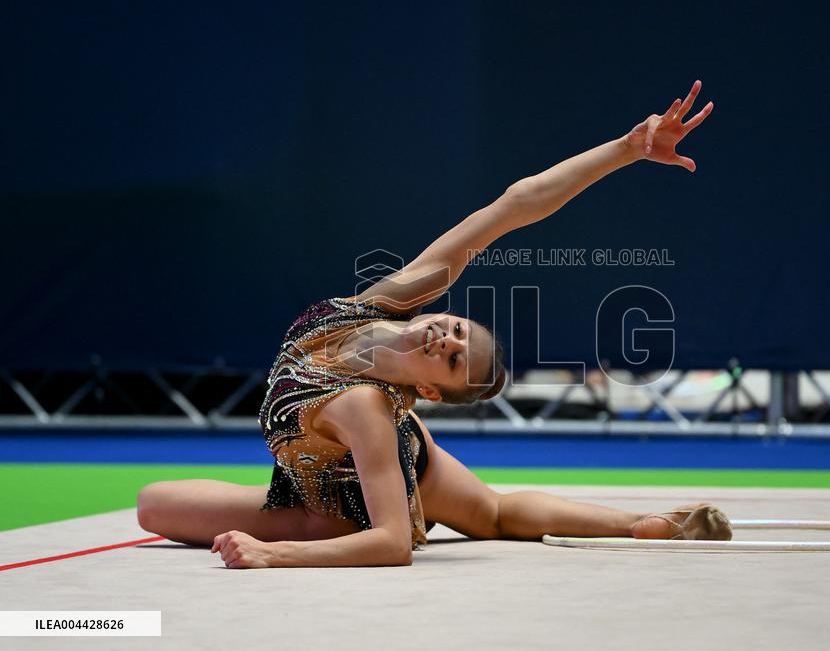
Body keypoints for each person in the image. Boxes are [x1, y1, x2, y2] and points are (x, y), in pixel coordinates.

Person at [136, 80, 733, 569]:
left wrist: (275, 552)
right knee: (152, 504)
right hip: (305, 477)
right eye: (456, 331)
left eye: (451, 360)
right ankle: (649, 523)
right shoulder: (372, 307)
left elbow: (393, 544)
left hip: (343, 508)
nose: (446, 339)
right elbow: (513, 206)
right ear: (437, 309)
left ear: (425, 393)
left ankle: (647, 525)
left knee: (491, 516)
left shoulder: (366, 405)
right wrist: (625, 149)